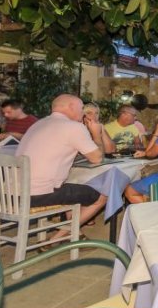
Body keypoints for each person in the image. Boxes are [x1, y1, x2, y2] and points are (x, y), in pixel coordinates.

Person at [16, 94, 112, 237]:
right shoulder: (73, 127)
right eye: (81, 109)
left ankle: (73, 233)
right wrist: (96, 135)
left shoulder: (38, 124)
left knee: (71, 187)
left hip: (11, 193)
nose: (82, 113)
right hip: (36, 194)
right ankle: (60, 237)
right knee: (103, 195)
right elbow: (97, 158)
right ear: (72, 107)